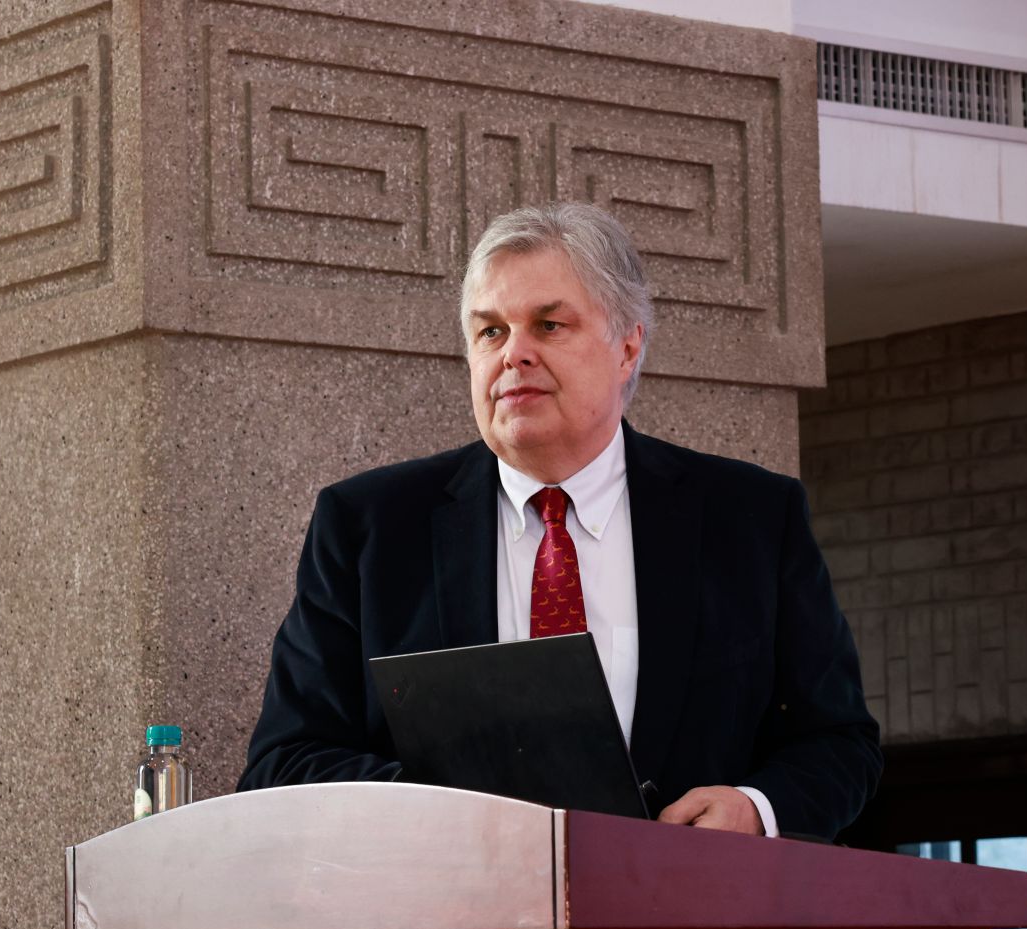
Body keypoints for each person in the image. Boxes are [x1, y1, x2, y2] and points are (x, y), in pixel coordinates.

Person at [237, 203, 879, 839]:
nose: (514, 354)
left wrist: (756, 809)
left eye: (548, 325)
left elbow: (838, 743)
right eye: (491, 332)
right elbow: (285, 761)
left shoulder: (752, 519)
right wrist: (454, 815)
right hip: (449, 900)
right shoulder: (369, 528)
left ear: (627, 348)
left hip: (687, 900)